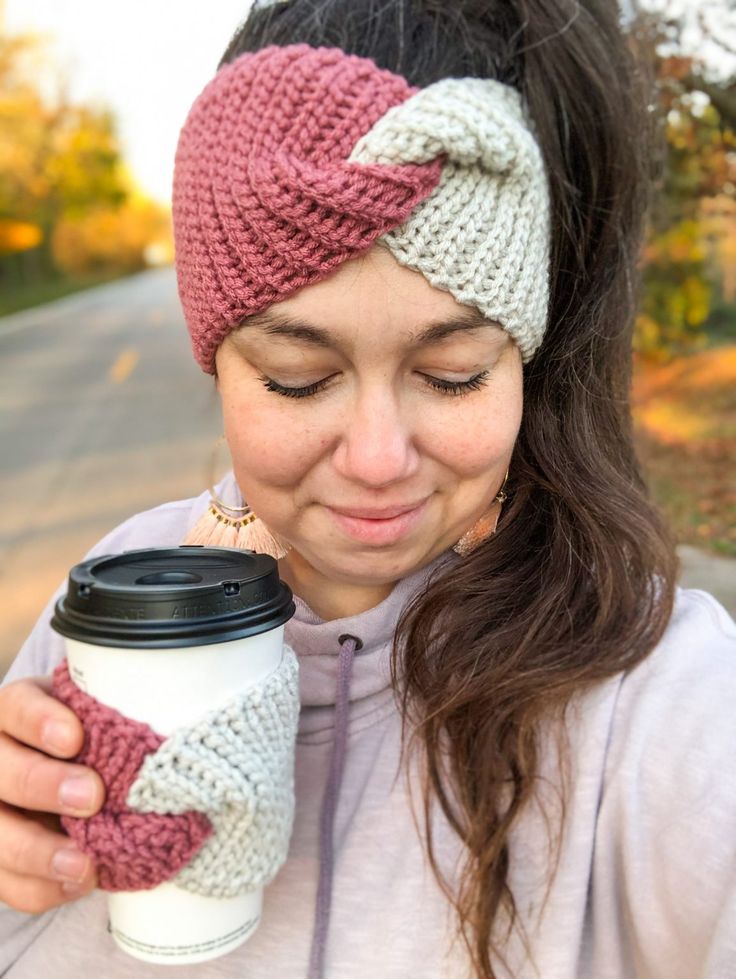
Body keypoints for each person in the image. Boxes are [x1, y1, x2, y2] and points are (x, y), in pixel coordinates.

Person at [1, 1, 735, 977]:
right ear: (219, 362)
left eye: (454, 373)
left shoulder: (655, 692)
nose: (379, 457)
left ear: (524, 362)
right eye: (298, 379)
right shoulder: (107, 607)